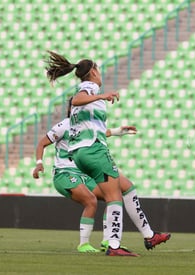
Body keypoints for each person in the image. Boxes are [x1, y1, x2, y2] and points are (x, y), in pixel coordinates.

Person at [43, 50, 169, 256]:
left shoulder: (90, 92)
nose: (100, 74)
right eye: (98, 70)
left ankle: (149, 235)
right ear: (93, 71)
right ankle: (113, 246)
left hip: (85, 151)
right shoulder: (89, 88)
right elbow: (76, 100)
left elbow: (92, 125)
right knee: (114, 197)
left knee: (127, 188)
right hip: (93, 151)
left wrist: (119, 131)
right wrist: (102, 95)